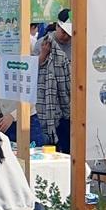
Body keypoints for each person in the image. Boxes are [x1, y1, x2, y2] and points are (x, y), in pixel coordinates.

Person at [37, 14, 73, 153]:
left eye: (69, 33)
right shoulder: (43, 43)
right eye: (63, 32)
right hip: (48, 102)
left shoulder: (77, 44)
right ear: (57, 26)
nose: (66, 36)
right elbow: (32, 70)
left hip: (69, 102)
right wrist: (43, 55)